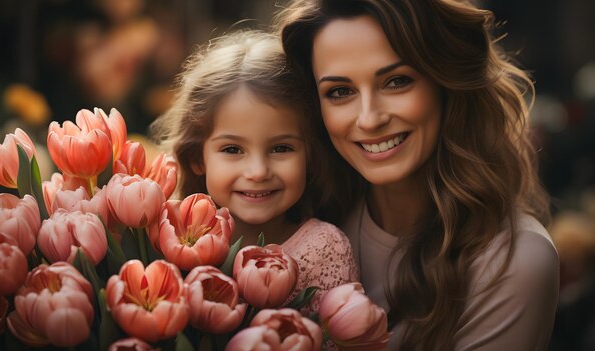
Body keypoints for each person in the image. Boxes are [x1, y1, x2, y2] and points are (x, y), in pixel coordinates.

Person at [275, 0, 559, 349]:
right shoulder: (303, 219)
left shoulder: (513, 263)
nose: (369, 118)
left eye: (396, 81)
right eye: (340, 92)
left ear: (445, 82)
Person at [151, 30, 359, 314]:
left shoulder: (325, 250)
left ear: (310, 155)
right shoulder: (165, 238)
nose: (258, 171)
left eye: (281, 148)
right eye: (233, 150)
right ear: (197, 157)